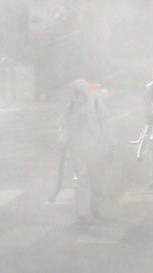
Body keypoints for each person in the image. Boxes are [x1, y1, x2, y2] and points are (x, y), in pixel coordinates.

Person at [59, 79, 113, 227]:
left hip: (95, 149)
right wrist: (63, 140)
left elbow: (106, 126)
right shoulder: (70, 108)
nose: (75, 97)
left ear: (83, 93)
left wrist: (108, 147)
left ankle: (94, 209)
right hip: (77, 150)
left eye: (77, 94)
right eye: (73, 94)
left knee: (96, 181)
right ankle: (83, 213)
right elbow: (63, 127)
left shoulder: (96, 105)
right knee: (81, 181)